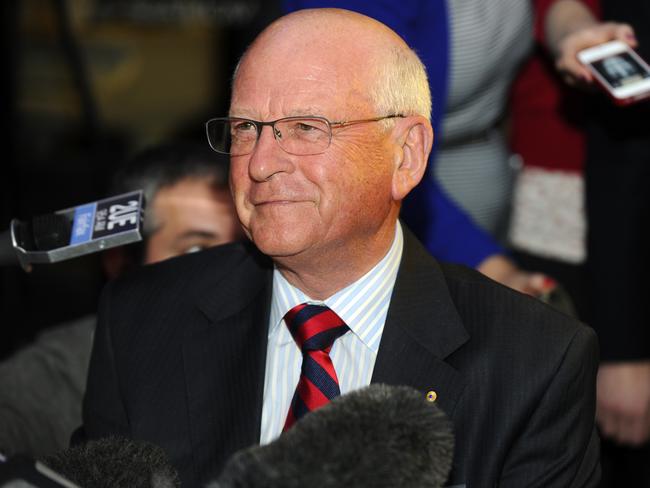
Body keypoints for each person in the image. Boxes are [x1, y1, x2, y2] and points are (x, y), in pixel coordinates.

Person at [82, 9, 600, 487]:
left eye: (306, 128)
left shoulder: (534, 362)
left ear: (406, 156)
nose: (261, 164)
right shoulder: (142, 318)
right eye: (245, 128)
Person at [0, 142, 241, 459]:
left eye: (242, 250)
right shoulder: (57, 377)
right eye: (196, 251)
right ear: (120, 263)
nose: (231, 272)